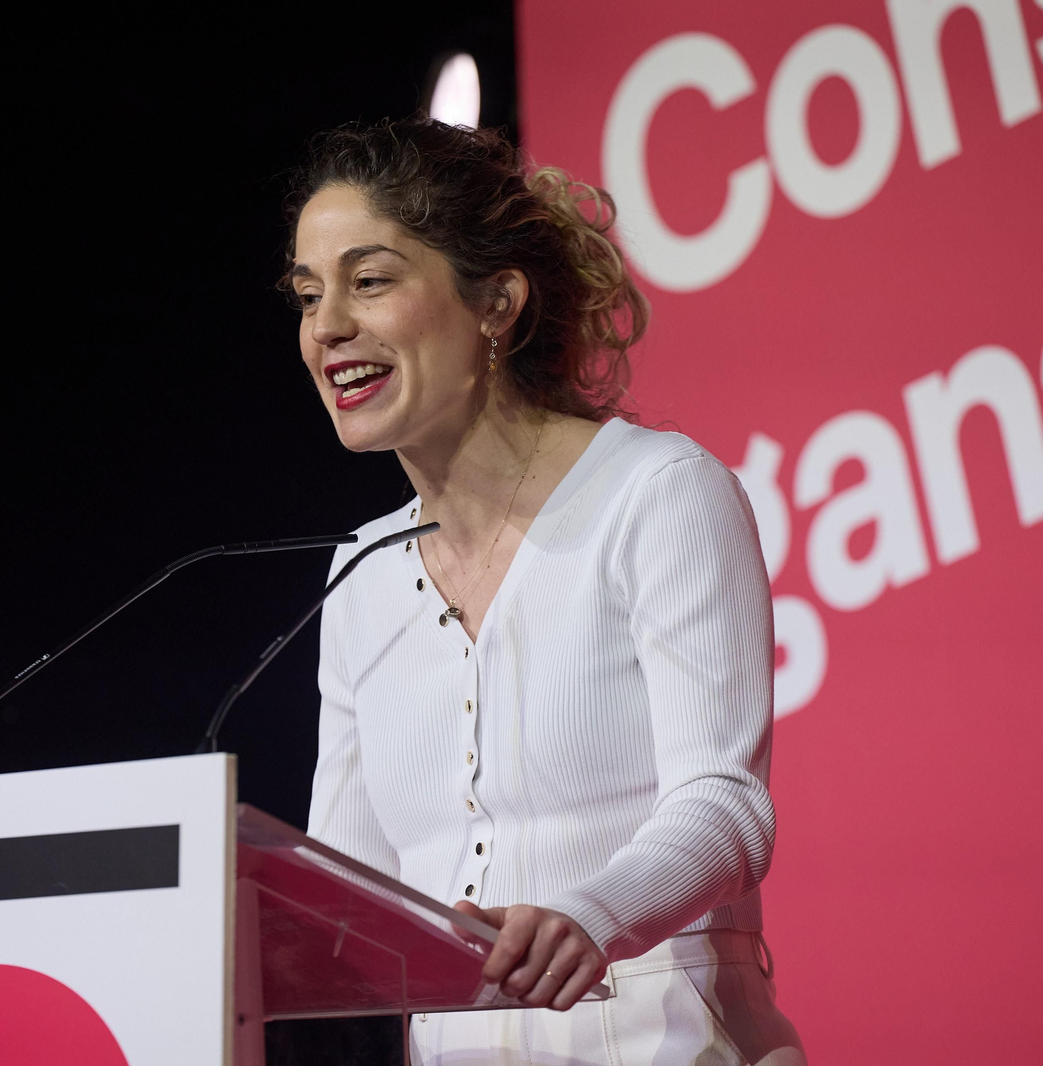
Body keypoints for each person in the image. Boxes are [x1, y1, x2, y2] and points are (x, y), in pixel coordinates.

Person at [287, 117, 806, 1066]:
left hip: (664, 1036)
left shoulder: (657, 492)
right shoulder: (360, 575)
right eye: (308, 294)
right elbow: (348, 897)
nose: (326, 328)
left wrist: (590, 913)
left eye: (370, 281)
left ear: (497, 304)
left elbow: (725, 807)